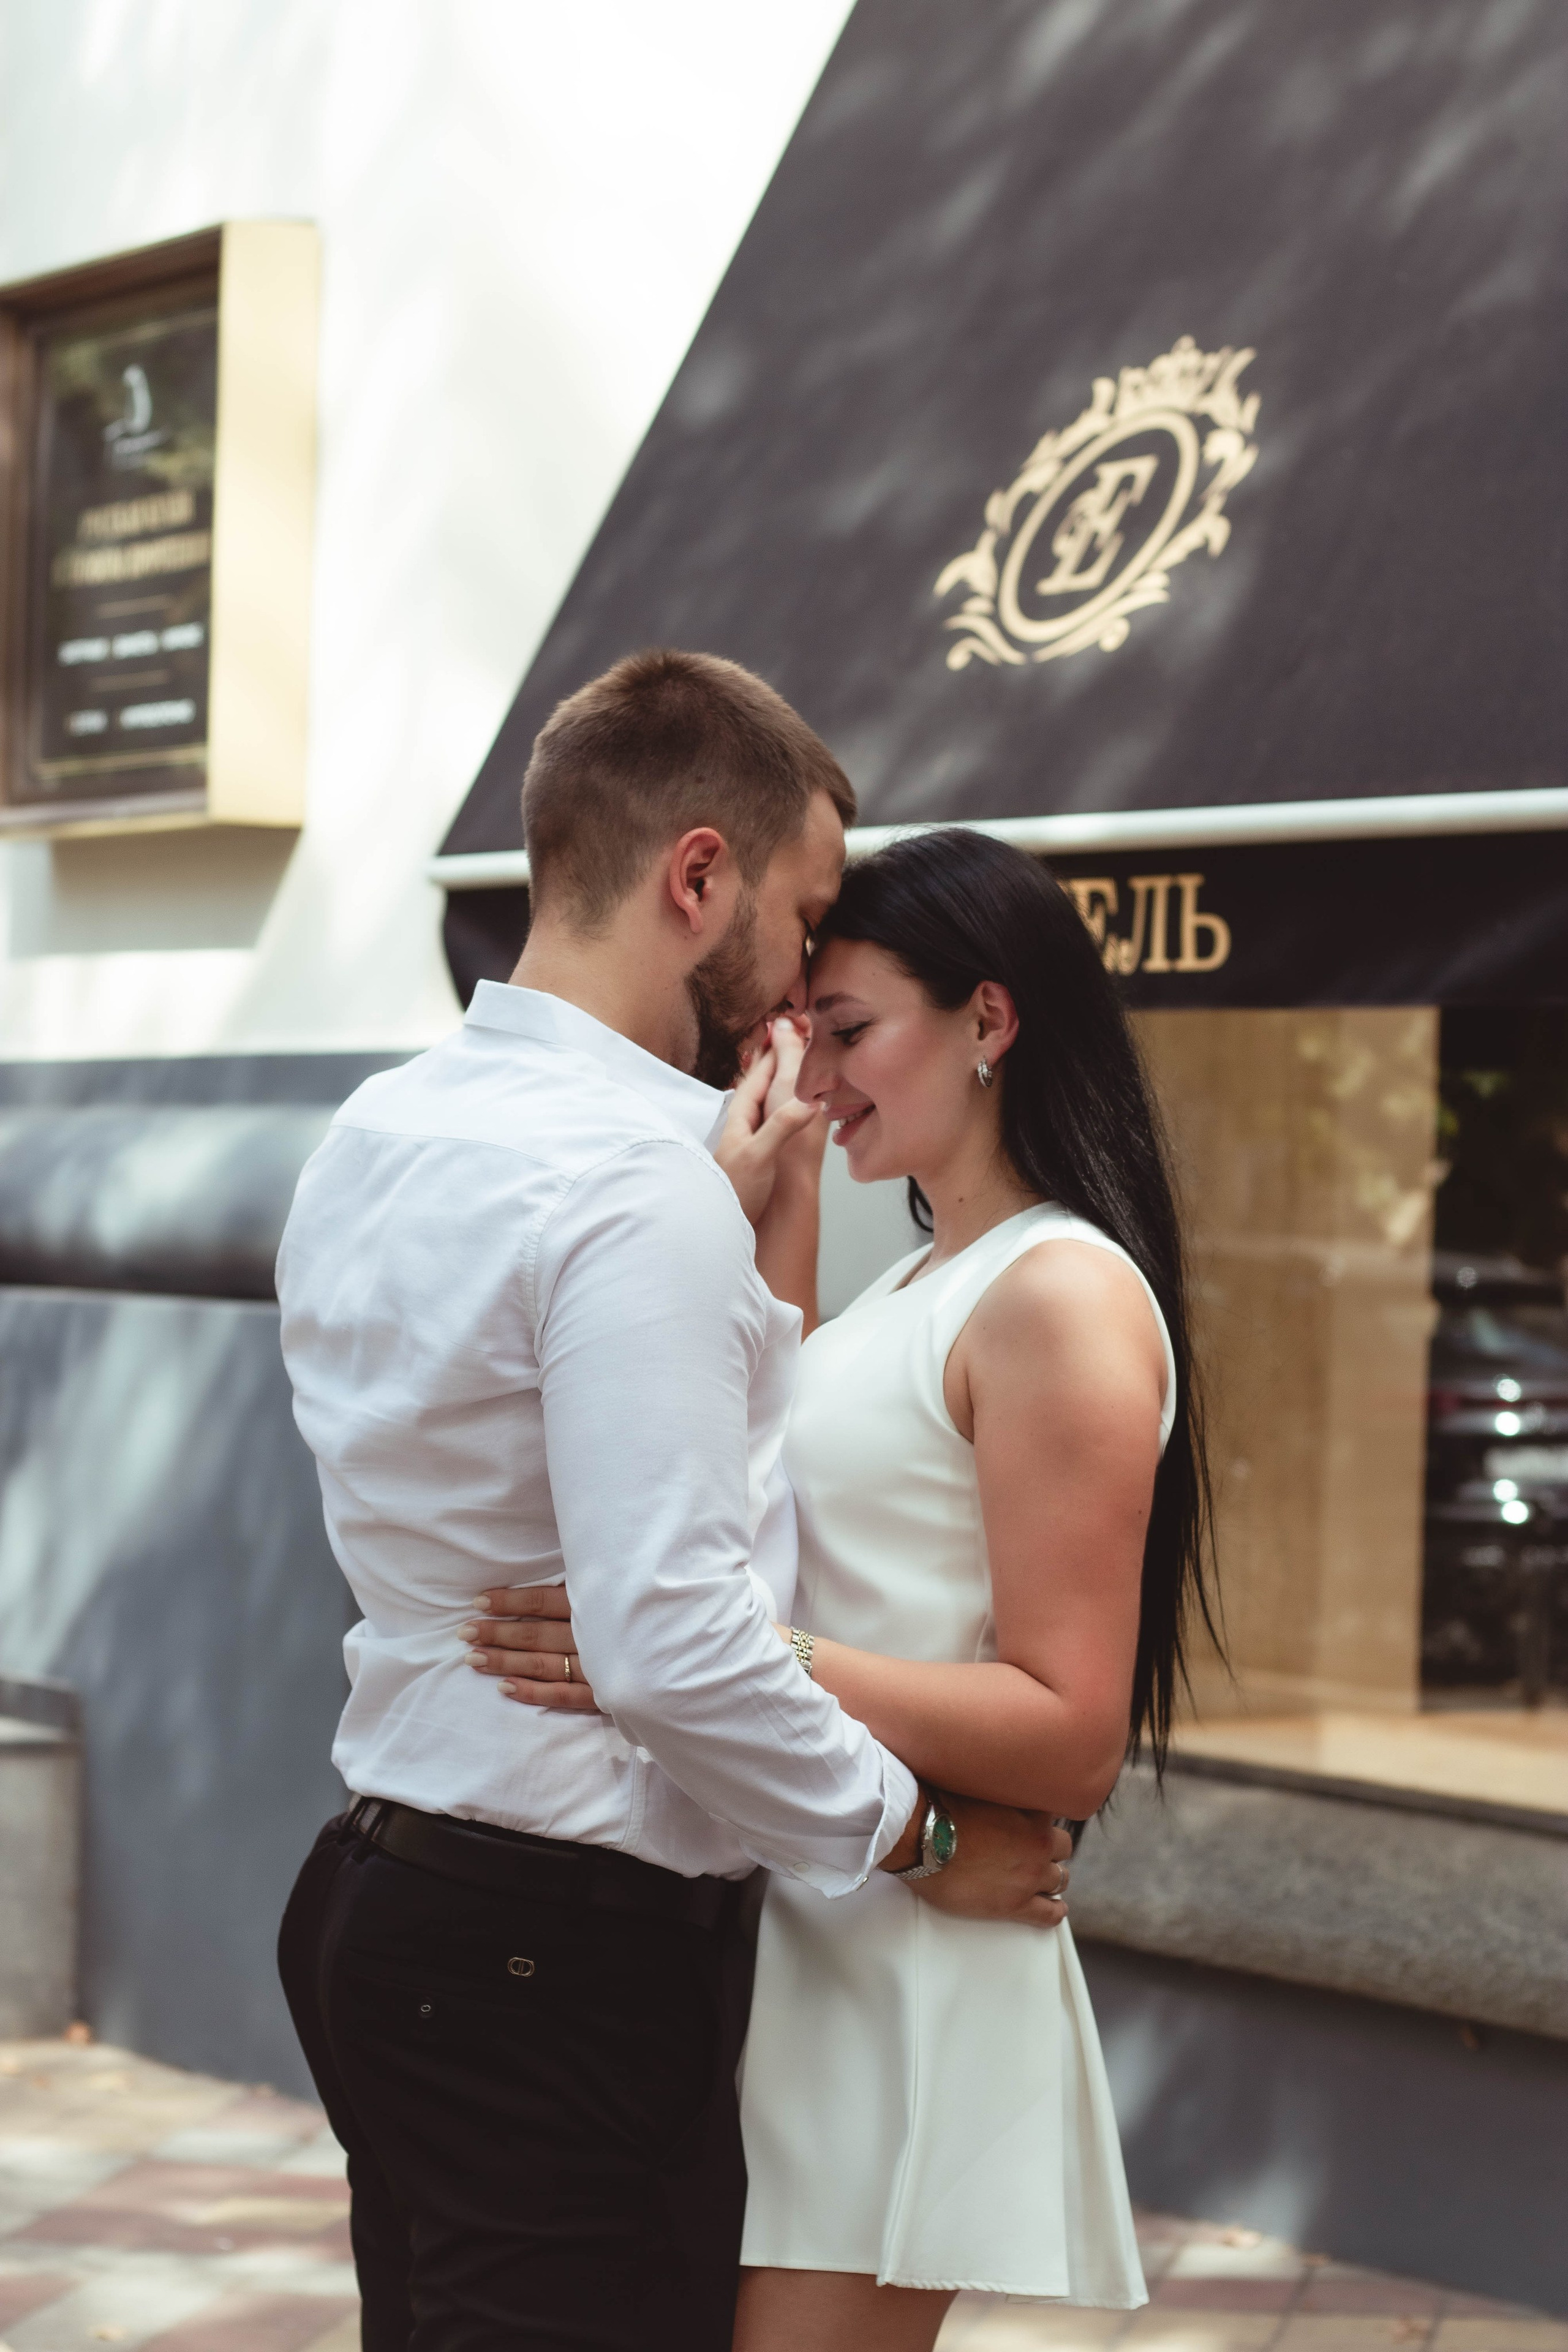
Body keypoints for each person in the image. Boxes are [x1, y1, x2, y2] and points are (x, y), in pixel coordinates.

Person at [273, 653, 1073, 2352]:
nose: (803, 976)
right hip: (551, 1960)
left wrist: (732, 1233)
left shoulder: (380, 1129)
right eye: (798, 917)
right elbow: (673, 1650)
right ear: (694, 879)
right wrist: (918, 1835)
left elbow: (533, 1465)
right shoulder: (640, 1192)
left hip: (382, 1900)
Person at [474, 827, 1219, 2352]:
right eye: (807, 1042)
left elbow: (1069, 1731)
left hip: (919, 1975)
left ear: (990, 1021)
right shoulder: (932, 1276)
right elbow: (784, 1464)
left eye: (850, 1035)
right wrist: (768, 1189)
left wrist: (729, 1653)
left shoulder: (1060, 1297)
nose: (816, 1078)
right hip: (824, 1919)